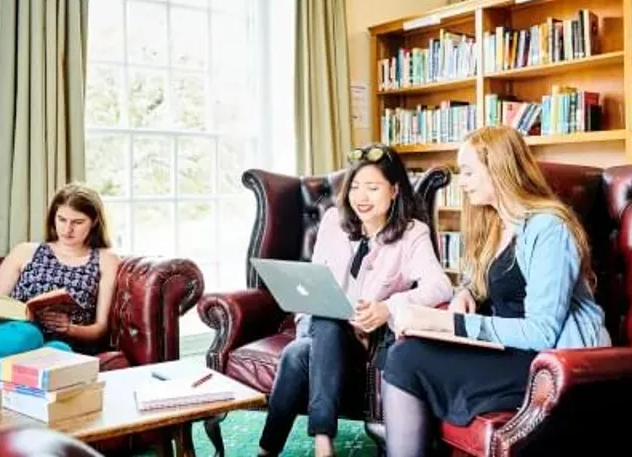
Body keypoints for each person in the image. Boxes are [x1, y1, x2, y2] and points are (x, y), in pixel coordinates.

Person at [380, 125, 612, 457]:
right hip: (506, 349)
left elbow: (542, 332)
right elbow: (480, 282)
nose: (462, 182)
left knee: (407, 358)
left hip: (542, 363)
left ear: (499, 170)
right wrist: (465, 294)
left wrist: (447, 324)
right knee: (404, 350)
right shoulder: (495, 223)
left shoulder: (548, 228)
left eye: (469, 172)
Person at [257, 143, 454, 457]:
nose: (361, 197)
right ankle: (315, 443)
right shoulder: (334, 221)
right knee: (312, 332)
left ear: (394, 190)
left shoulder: (412, 233)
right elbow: (316, 283)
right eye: (356, 187)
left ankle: (279, 450)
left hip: (371, 341)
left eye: (373, 188)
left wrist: (387, 308)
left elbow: (441, 287)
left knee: (298, 352)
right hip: (324, 335)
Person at [0, 182, 120, 389]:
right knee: (29, 334)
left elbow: (100, 328)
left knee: (61, 352)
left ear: (93, 222)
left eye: (78, 222)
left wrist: (71, 329)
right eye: (62, 219)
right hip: (8, 334)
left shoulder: (105, 259)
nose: (67, 229)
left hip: (56, 345)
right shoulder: (25, 251)